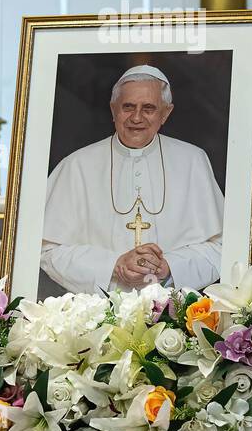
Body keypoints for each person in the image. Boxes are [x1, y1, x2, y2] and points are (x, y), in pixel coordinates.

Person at [40, 65, 224, 295]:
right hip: (95, 314)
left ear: (165, 113)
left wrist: (169, 266)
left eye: (148, 108)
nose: (136, 117)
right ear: (113, 109)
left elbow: (221, 246)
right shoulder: (76, 165)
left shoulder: (193, 161)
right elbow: (48, 249)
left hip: (174, 312)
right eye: (128, 107)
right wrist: (113, 265)